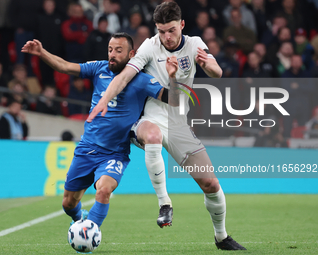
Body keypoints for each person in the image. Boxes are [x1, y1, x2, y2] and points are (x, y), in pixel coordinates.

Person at [87, 2, 245, 250]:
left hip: (179, 122)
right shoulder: (150, 46)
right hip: (150, 117)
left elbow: (217, 72)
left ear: (182, 25)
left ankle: (221, 237)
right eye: (161, 31)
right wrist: (104, 100)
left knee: (211, 184)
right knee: (152, 135)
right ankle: (165, 204)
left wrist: (206, 64)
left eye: (171, 30)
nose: (166, 37)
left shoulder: (194, 44)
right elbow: (125, 76)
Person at [21, 33, 178, 232]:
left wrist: (172, 76)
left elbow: (173, 100)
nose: (112, 54)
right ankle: (79, 219)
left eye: (118, 51)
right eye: (110, 50)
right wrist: (41, 52)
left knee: (103, 191)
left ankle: (90, 233)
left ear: (131, 54)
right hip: (87, 148)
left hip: (115, 153)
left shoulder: (141, 80)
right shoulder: (99, 68)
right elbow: (65, 66)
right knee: (68, 204)